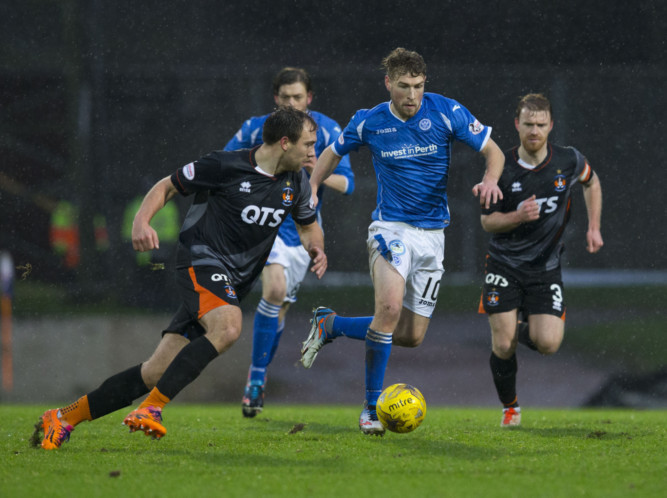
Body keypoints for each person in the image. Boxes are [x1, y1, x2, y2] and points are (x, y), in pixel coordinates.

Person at [34, 107, 327, 450]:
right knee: (229, 327)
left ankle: (63, 417)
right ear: (284, 142)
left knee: (155, 372)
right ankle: (152, 409)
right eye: (308, 144)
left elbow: (308, 226)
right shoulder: (224, 165)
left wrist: (315, 248)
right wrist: (141, 221)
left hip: (234, 281)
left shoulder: (297, 182)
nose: (313, 153)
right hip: (201, 262)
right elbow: (168, 186)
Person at [300, 47, 505, 435]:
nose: (412, 95)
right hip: (391, 230)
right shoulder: (370, 121)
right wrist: (312, 187)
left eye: (418, 86)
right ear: (388, 83)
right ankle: (370, 408)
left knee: (409, 335)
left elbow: (492, 151)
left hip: (432, 237)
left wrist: (491, 178)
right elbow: (331, 152)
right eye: (404, 87)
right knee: (389, 309)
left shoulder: (445, 111)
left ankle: (331, 324)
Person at [224, 67, 354, 418]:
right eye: (285, 97)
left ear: (309, 98)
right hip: (262, 224)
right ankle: (255, 377)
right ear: (275, 99)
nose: (292, 103)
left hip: (300, 229)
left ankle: (259, 375)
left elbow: (349, 183)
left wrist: (317, 173)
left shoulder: (326, 131)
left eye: (298, 97)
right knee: (275, 291)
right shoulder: (257, 128)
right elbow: (227, 164)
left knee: (279, 306)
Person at [478, 93, 603, 427]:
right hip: (504, 265)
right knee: (503, 346)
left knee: (548, 343)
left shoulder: (568, 161)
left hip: (545, 269)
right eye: (528, 124)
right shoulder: (500, 167)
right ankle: (511, 408)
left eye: (541, 124)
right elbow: (487, 222)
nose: (534, 130)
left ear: (551, 125)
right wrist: (517, 216)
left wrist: (594, 227)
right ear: (517, 124)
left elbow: (591, 182)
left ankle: (515, 324)